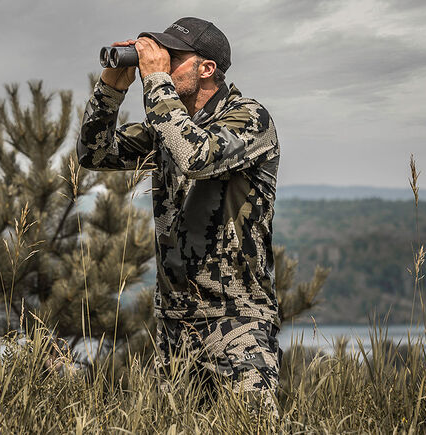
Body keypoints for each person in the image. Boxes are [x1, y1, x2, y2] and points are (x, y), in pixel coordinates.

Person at [77, 17, 282, 417]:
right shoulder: (166, 129)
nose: (163, 64)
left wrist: (156, 82)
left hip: (236, 320)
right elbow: (94, 154)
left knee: (250, 428)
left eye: (174, 57)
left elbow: (196, 157)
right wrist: (110, 89)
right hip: (175, 324)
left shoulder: (250, 118)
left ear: (206, 69)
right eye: (160, 56)